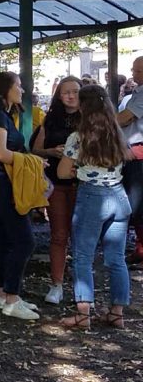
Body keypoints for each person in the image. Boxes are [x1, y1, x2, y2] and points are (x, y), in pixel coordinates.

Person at [58, 84, 132, 330]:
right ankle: (117, 312)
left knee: (82, 257)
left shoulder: (77, 138)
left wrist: (75, 167)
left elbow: (63, 173)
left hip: (91, 198)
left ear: (83, 106)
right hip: (119, 198)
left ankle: (83, 313)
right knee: (117, 259)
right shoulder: (118, 134)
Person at [0, 72, 40, 321]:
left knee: (5, 239)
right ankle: (12, 297)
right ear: (5, 89)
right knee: (24, 241)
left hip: (1, 184)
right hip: (3, 185)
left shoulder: (4, 116)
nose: (22, 90)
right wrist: (32, 160)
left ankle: (4, 294)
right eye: (18, 85)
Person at [32, 77, 81, 304]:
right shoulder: (51, 119)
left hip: (84, 185)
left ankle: (83, 287)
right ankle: (57, 284)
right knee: (59, 234)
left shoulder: (92, 118)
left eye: (74, 91)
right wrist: (52, 151)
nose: (70, 96)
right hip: (57, 184)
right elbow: (36, 150)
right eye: (65, 92)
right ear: (59, 96)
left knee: (82, 237)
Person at [115, 56, 143, 262]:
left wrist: (101, 121)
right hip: (132, 151)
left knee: (137, 204)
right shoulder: (138, 92)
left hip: (137, 154)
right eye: (133, 70)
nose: (133, 75)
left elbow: (125, 118)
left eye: (138, 71)